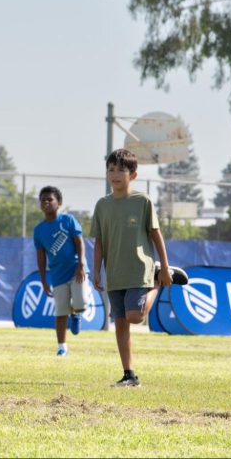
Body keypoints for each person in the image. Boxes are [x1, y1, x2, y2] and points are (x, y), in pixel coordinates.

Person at [91, 148, 177, 387]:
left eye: (121, 170)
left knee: (135, 316)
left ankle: (157, 282)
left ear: (133, 175)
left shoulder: (142, 201)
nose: (115, 175)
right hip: (115, 272)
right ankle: (129, 375)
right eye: (111, 170)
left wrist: (166, 268)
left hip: (140, 269)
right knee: (119, 323)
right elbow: (98, 242)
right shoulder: (102, 205)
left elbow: (156, 235)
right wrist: (97, 270)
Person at [33, 186, 91, 357]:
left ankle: (76, 315)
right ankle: (61, 347)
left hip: (76, 270)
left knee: (80, 304)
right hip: (58, 275)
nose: (46, 202)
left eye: (50, 199)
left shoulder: (68, 220)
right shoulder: (39, 230)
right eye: (43, 200)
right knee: (61, 311)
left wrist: (81, 264)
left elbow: (79, 242)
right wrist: (44, 280)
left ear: (59, 203)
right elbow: (41, 257)